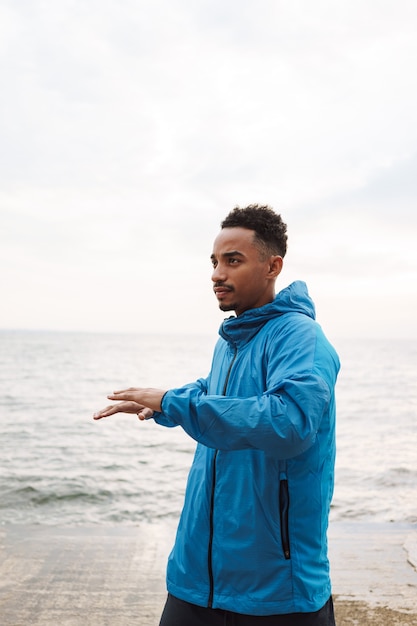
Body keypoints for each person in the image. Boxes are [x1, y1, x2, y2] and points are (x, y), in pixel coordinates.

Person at [94, 204, 340, 625]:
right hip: (195, 578)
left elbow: (290, 422)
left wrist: (173, 402)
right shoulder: (230, 341)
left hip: (276, 589)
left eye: (233, 260)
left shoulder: (300, 337)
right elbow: (215, 392)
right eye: (213, 262)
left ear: (272, 266)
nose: (216, 274)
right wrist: (162, 401)